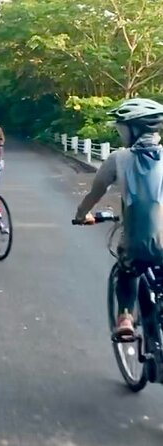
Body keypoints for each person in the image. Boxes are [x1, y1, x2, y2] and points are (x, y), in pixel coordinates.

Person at [75, 98, 163, 337]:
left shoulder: (119, 159)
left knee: (127, 270)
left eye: (122, 128)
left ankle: (125, 316)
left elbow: (96, 192)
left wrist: (82, 215)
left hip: (138, 243)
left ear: (133, 129)